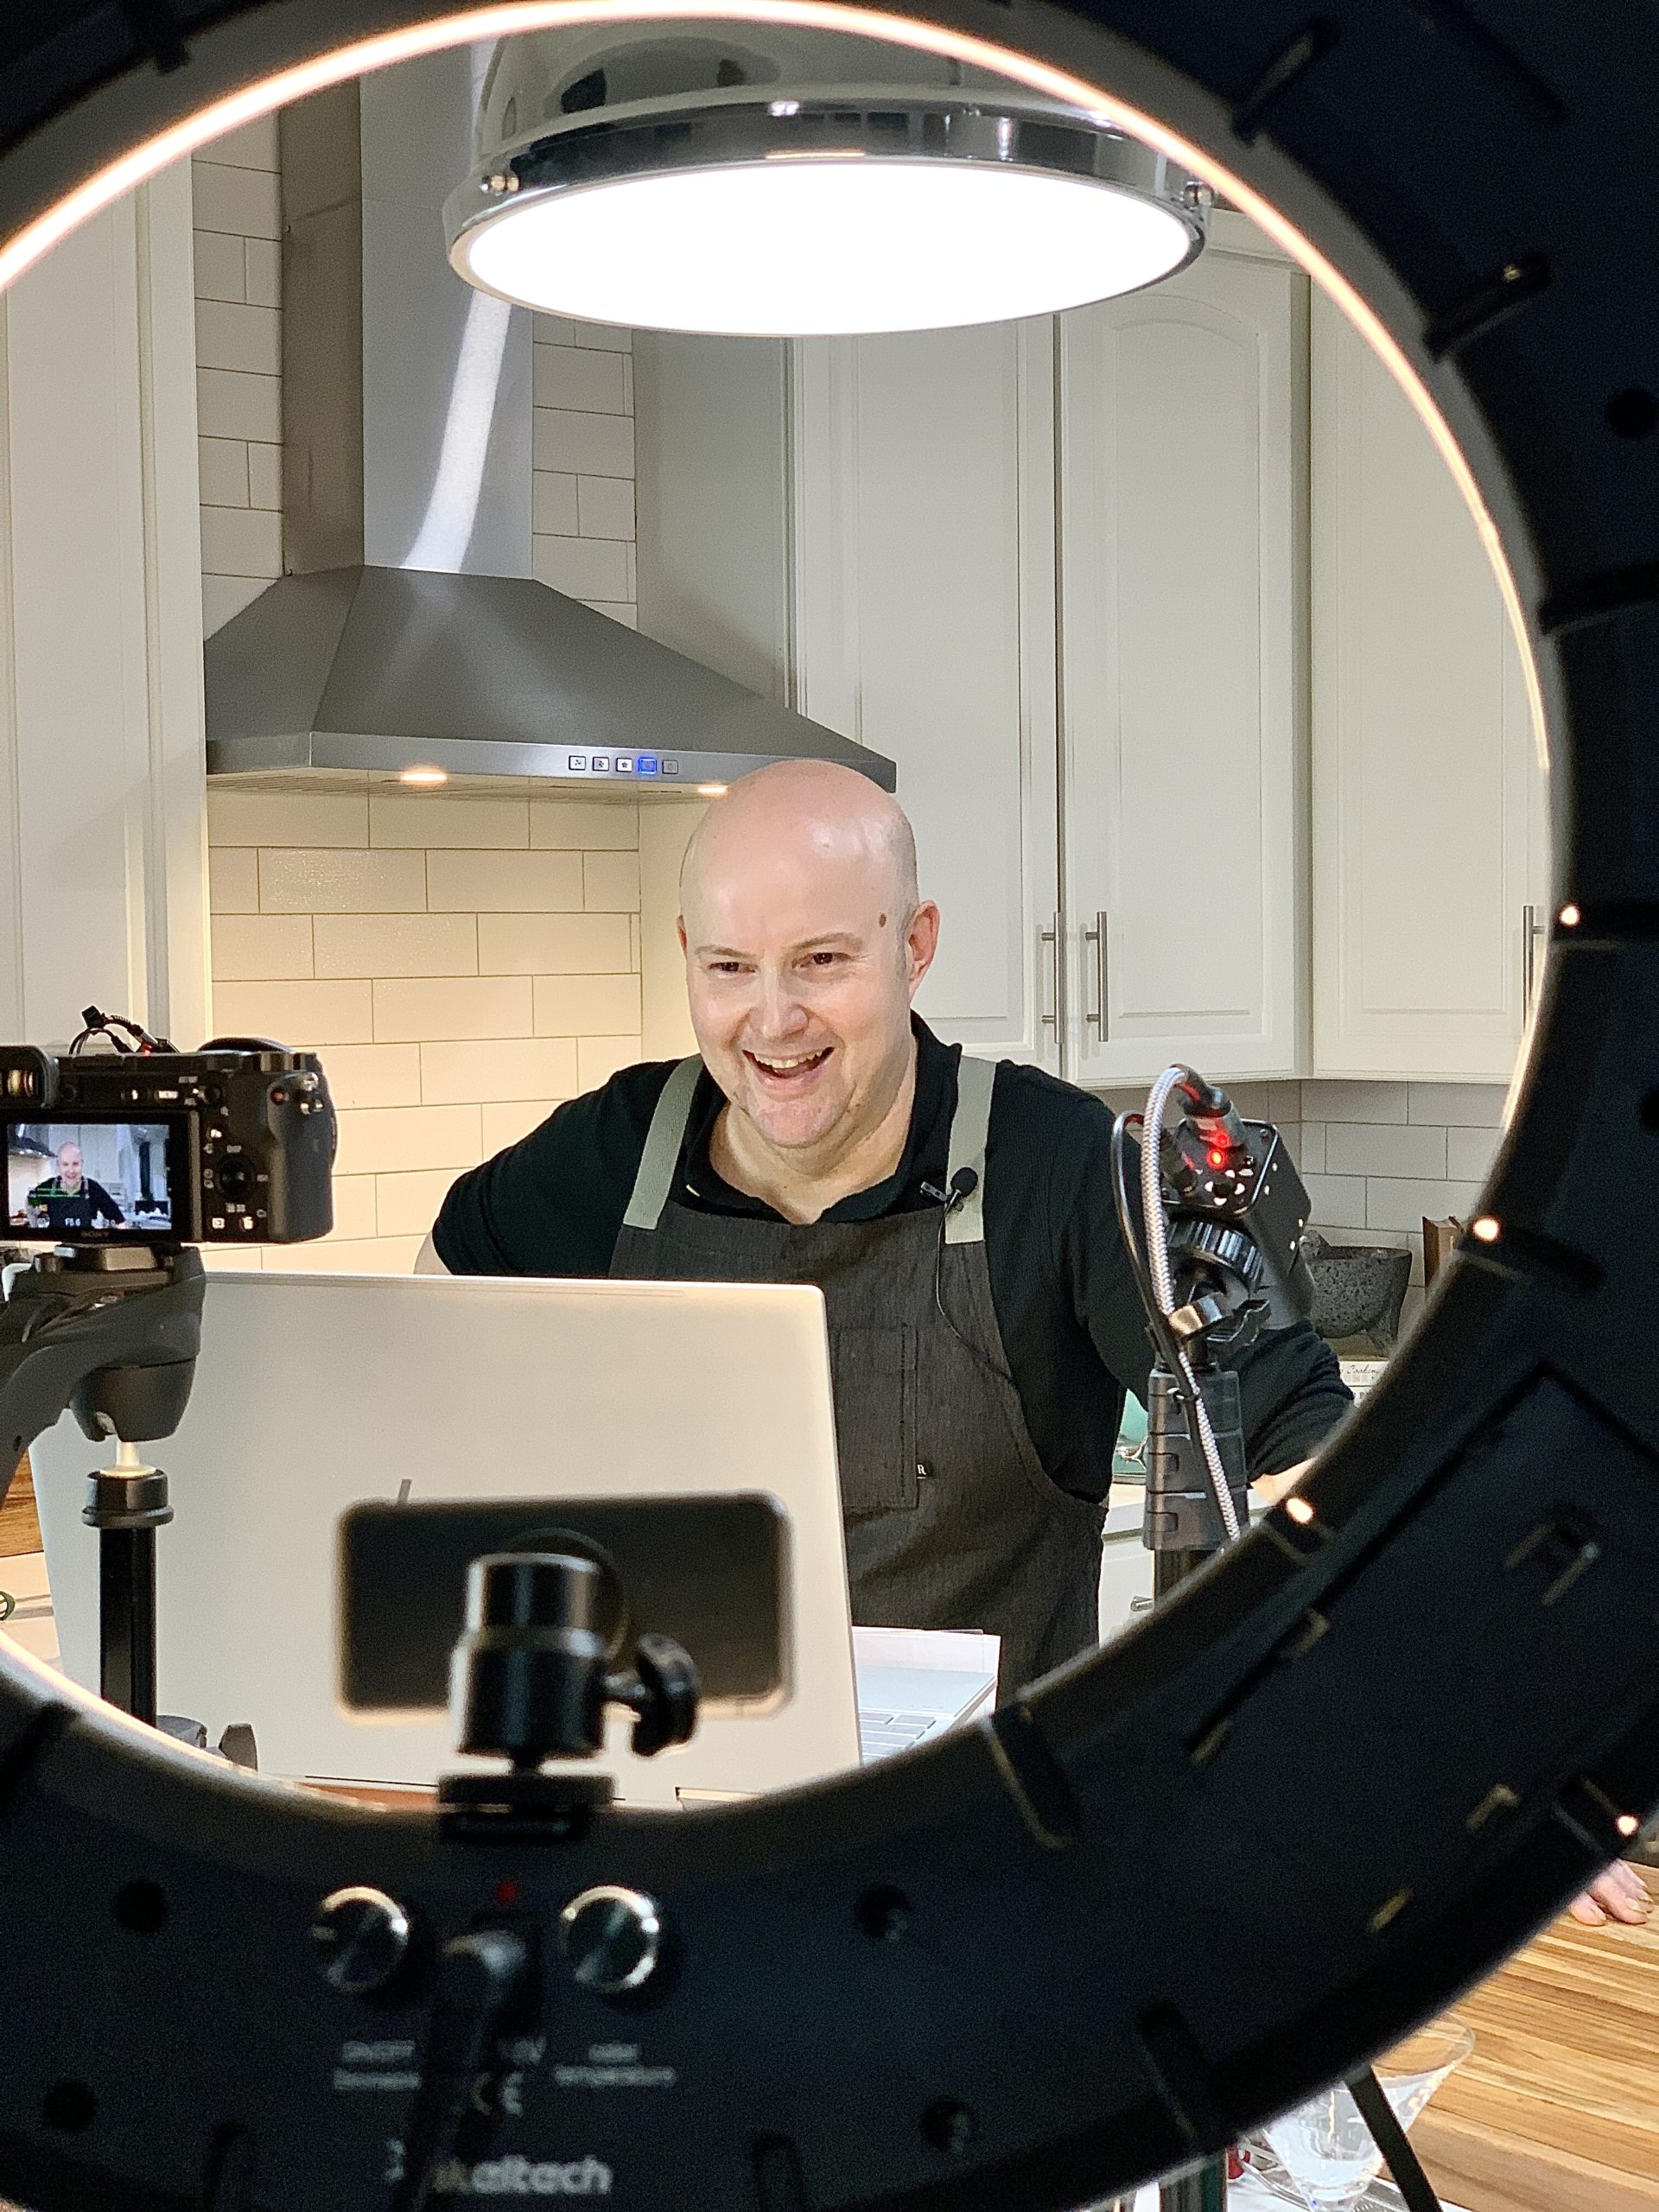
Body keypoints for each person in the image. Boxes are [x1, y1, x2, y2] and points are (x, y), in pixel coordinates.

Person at [422, 760, 1646, 1925]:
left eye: (824, 961)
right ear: (687, 957)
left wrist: (1473, 1734)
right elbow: (421, 1356)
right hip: (658, 1840)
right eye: (732, 966)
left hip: (982, 1861)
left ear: (917, 946)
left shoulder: (1058, 1167)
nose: (772, 1019)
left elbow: (1301, 1442)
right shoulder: (609, 1157)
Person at [25, 1140, 124, 1233]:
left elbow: (118, 1220)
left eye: (75, 1164)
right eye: (65, 1164)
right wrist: (35, 1226)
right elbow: (31, 1199)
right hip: (55, 1245)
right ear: (58, 1166)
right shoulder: (49, 1187)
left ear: (82, 1164)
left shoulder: (93, 1189)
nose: (71, 1170)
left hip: (87, 1245)